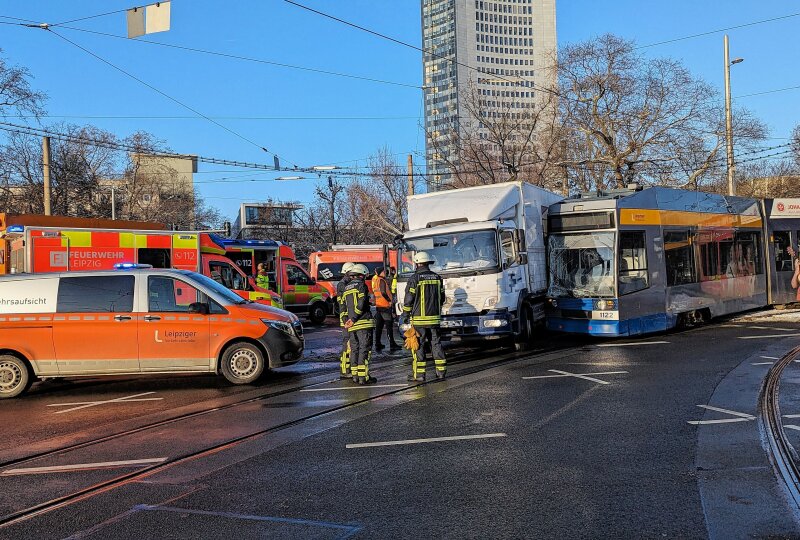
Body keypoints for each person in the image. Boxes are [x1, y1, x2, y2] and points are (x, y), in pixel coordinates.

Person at [402, 251, 446, 381]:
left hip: (419, 320)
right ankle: (441, 372)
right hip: (434, 319)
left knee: (418, 346)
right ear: (427, 263)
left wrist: (405, 314)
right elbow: (442, 298)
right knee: (436, 344)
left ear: (417, 264)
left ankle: (419, 375)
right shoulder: (437, 277)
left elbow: (409, 299)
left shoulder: (415, 278)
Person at [342, 264, 377, 385]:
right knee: (364, 349)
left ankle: (355, 376)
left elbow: (342, 307)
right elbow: (361, 303)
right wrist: (354, 318)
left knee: (354, 349)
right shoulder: (362, 286)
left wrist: (347, 320)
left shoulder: (346, 288)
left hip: (351, 325)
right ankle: (364, 377)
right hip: (363, 322)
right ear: (361, 275)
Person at [372, 267, 400, 352]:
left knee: (379, 326)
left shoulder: (376, 280)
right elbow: (384, 292)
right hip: (385, 306)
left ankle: (377, 344)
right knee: (389, 326)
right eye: (383, 271)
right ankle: (392, 344)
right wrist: (389, 301)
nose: (385, 272)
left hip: (379, 306)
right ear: (380, 272)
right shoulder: (381, 281)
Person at [336, 262, 356, 379]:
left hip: (349, 319)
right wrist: (345, 319)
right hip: (346, 320)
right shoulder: (342, 285)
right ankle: (344, 369)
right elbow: (343, 304)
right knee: (347, 344)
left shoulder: (346, 284)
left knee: (350, 344)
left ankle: (348, 368)